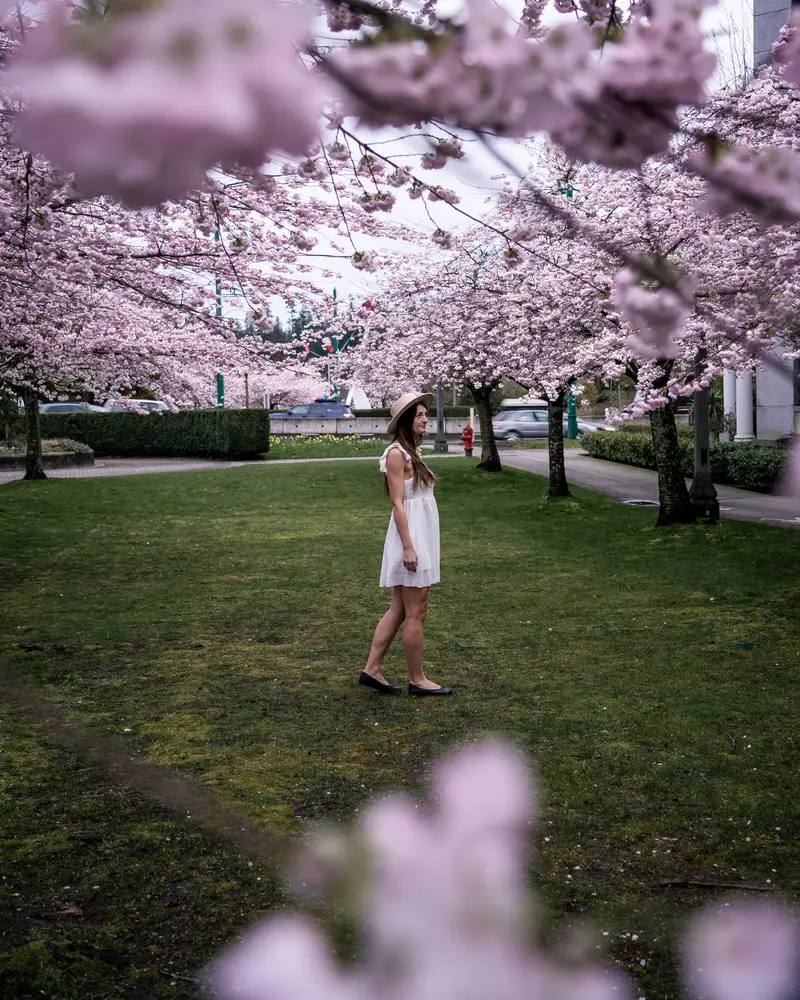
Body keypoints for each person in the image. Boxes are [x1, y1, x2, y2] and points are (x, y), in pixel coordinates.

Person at [359, 391, 453, 696]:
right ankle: (418, 679)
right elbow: (399, 505)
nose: (426, 419)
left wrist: (429, 544)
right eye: (420, 415)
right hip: (409, 537)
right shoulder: (397, 454)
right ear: (406, 421)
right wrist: (410, 547)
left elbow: (422, 502)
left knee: (400, 610)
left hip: (419, 535)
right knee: (417, 611)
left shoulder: (412, 452)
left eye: (426, 414)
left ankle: (372, 669)